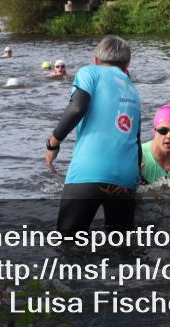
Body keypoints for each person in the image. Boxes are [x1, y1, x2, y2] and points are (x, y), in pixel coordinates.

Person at [45, 36, 141, 235]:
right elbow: (136, 139)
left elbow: (77, 107)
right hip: (126, 177)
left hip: (88, 173)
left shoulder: (89, 72)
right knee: (122, 249)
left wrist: (53, 143)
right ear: (127, 64)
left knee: (68, 244)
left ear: (96, 59)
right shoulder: (133, 89)